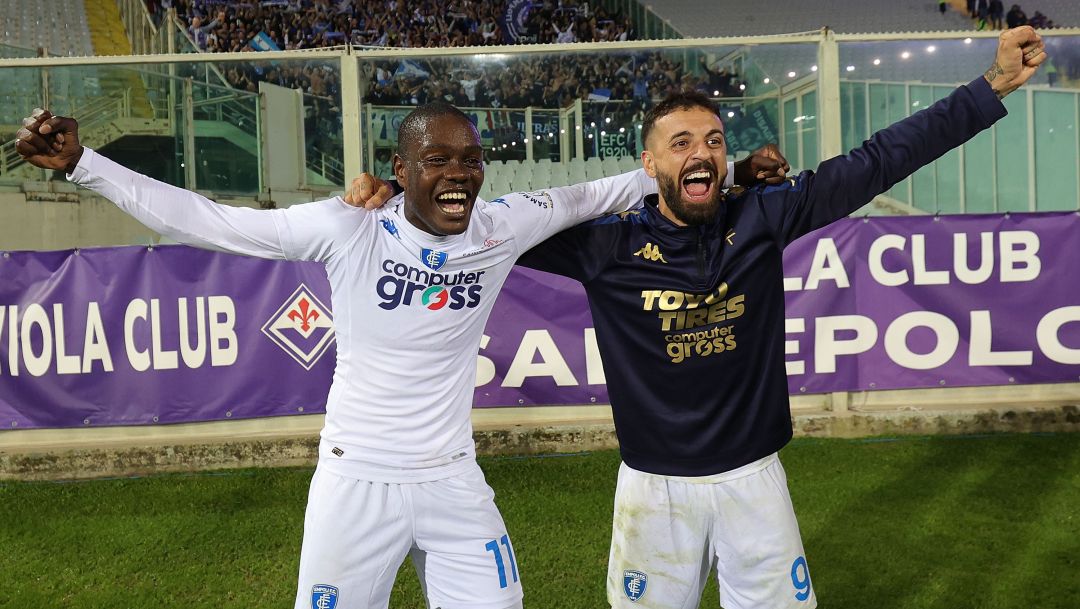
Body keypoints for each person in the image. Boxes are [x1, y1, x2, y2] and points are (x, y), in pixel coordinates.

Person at [345, 26, 1048, 609]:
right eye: (681, 143)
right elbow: (470, 226)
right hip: (654, 493)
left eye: (712, 140)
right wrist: (389, 196)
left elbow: (879, 161)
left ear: (726, 157)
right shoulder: (604, 245)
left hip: (756, 481)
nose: (700, 152)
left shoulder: (763, 215)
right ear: (650, 163)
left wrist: (989, 87)